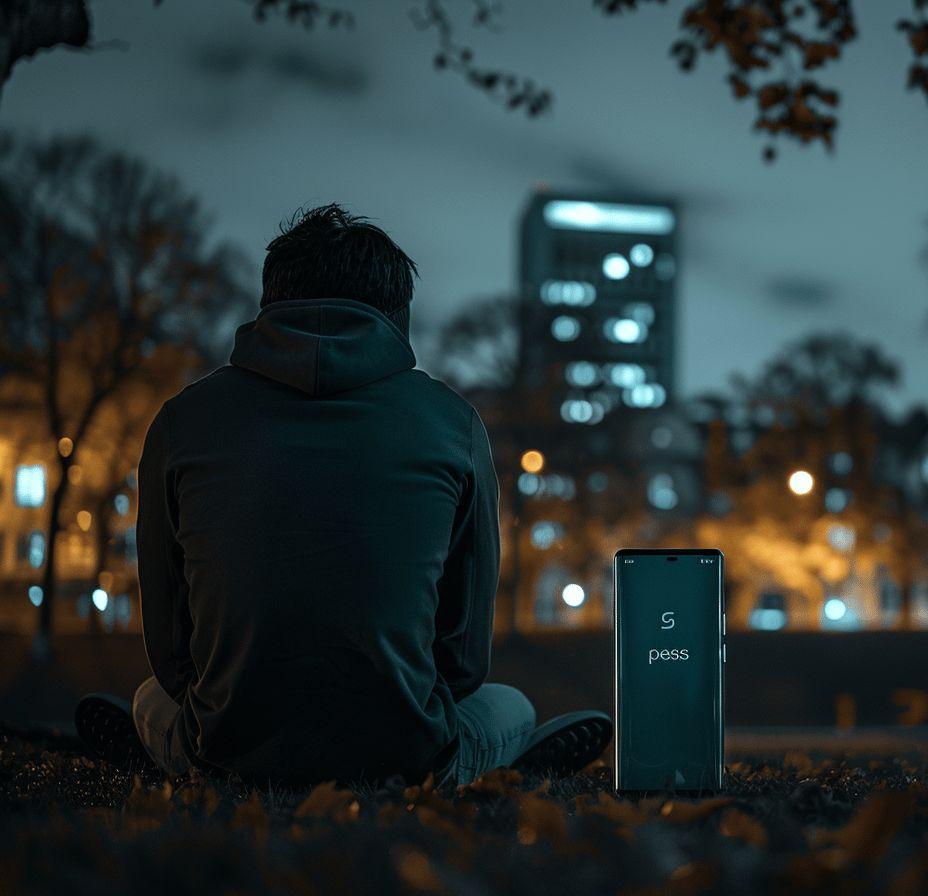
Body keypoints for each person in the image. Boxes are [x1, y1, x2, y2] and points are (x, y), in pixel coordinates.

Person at [76, 205, 610, 785]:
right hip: (404, 755)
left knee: (149, 697)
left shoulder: (182, 421)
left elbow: (173, 652)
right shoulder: (453, 423)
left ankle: (164, 753)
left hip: (230, 751)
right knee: (513, 706)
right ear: (398, 316)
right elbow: (464, 661)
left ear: (270, 303)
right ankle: (486, 764)